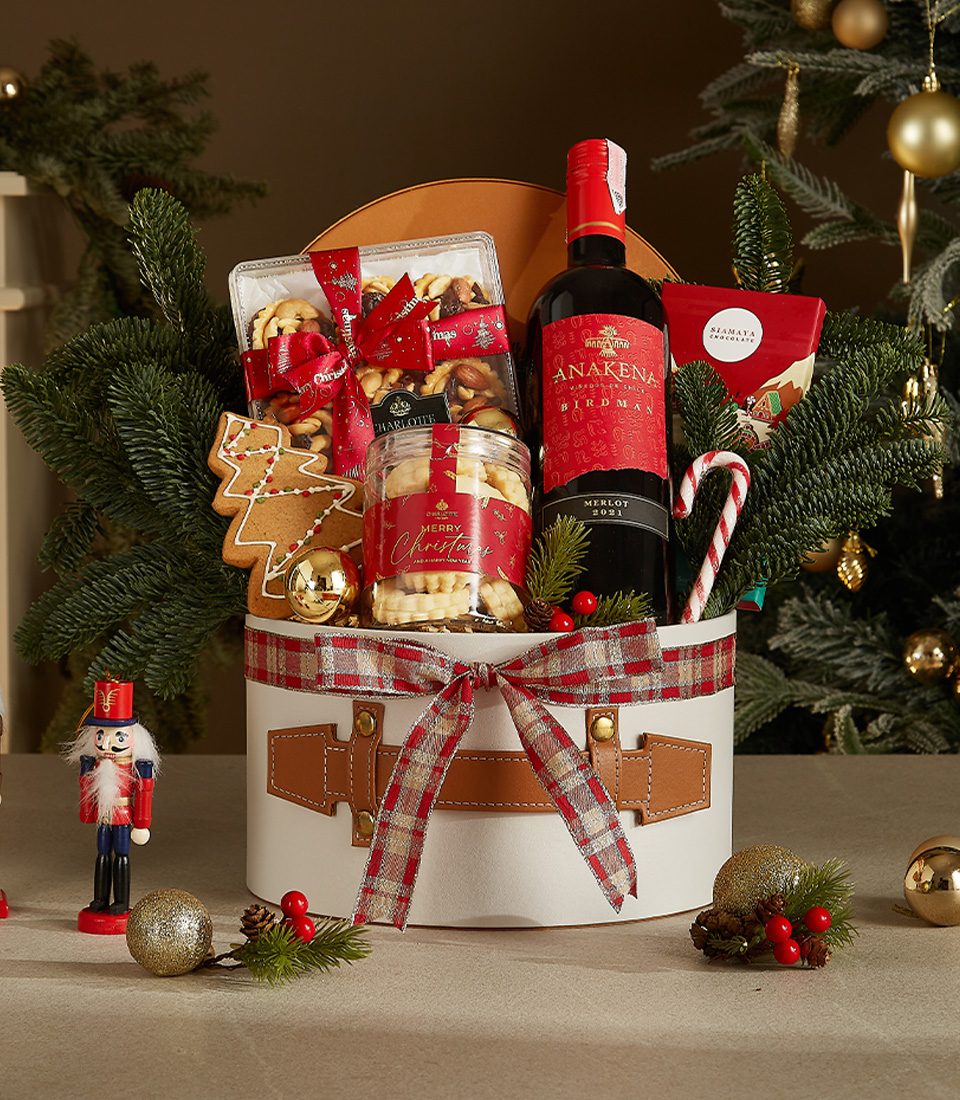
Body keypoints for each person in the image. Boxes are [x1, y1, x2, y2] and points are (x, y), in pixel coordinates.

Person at [63, 679, 160, 933]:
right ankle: (100, 899)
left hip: (122, 815)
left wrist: (142, 824)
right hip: (103, 816)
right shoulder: (96, 763)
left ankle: (121, 902)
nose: (107, 744)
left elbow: (144, 793)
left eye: (119, 736)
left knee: (122, 855)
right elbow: (88, 793)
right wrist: (86, 777)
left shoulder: (135, 767)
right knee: (102, 855)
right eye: (101, 735)